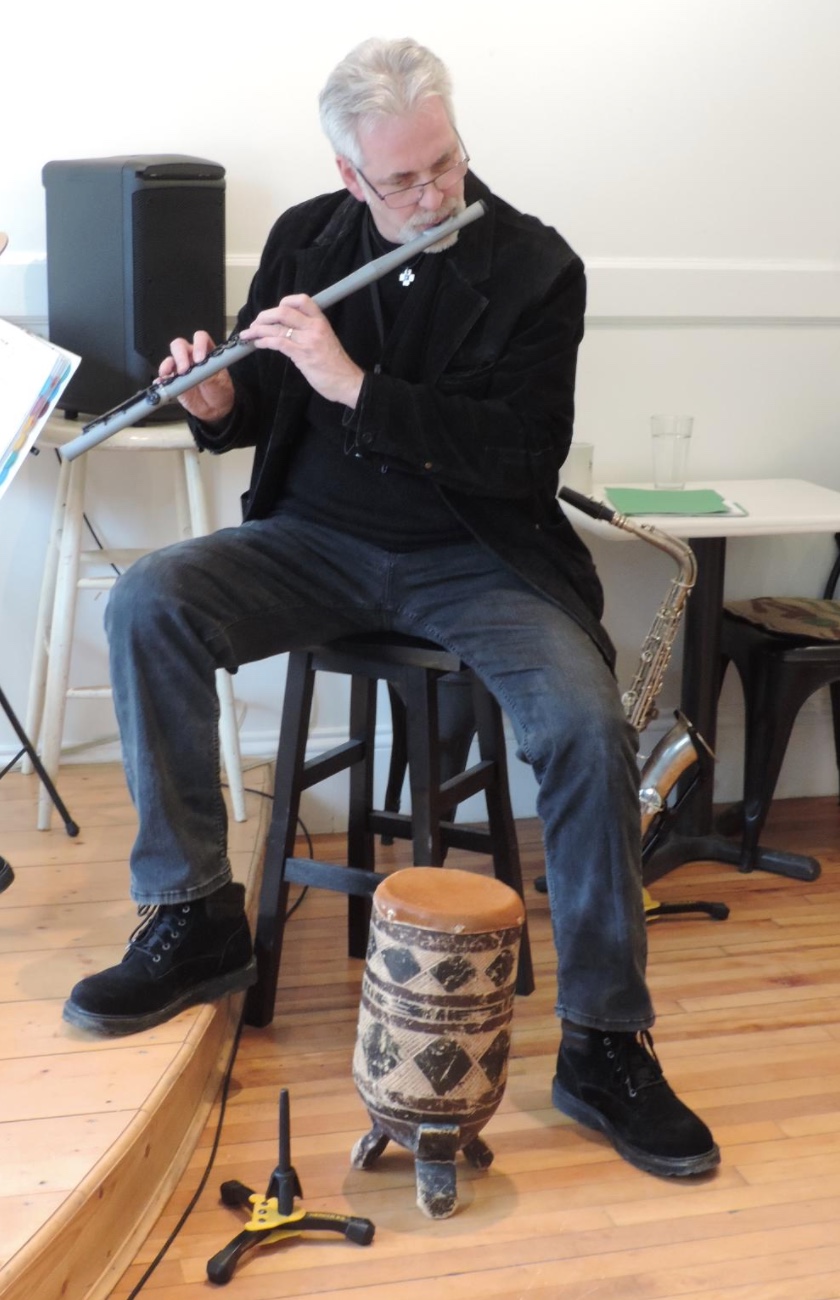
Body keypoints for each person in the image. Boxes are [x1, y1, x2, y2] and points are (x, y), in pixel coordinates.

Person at [62, 37, 719, 1178]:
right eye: (402, 180)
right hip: (313, 545)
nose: (432, 195)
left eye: (445, 163)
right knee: (148, 604)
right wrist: (217, 402)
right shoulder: (306, 239)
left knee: (582, 724)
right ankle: (196, 915)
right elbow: (262, 402)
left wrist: (357, 385)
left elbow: (518, 457)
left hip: (478, 558)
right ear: (349, 172)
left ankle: (605, 1042)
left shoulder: (535, 268)